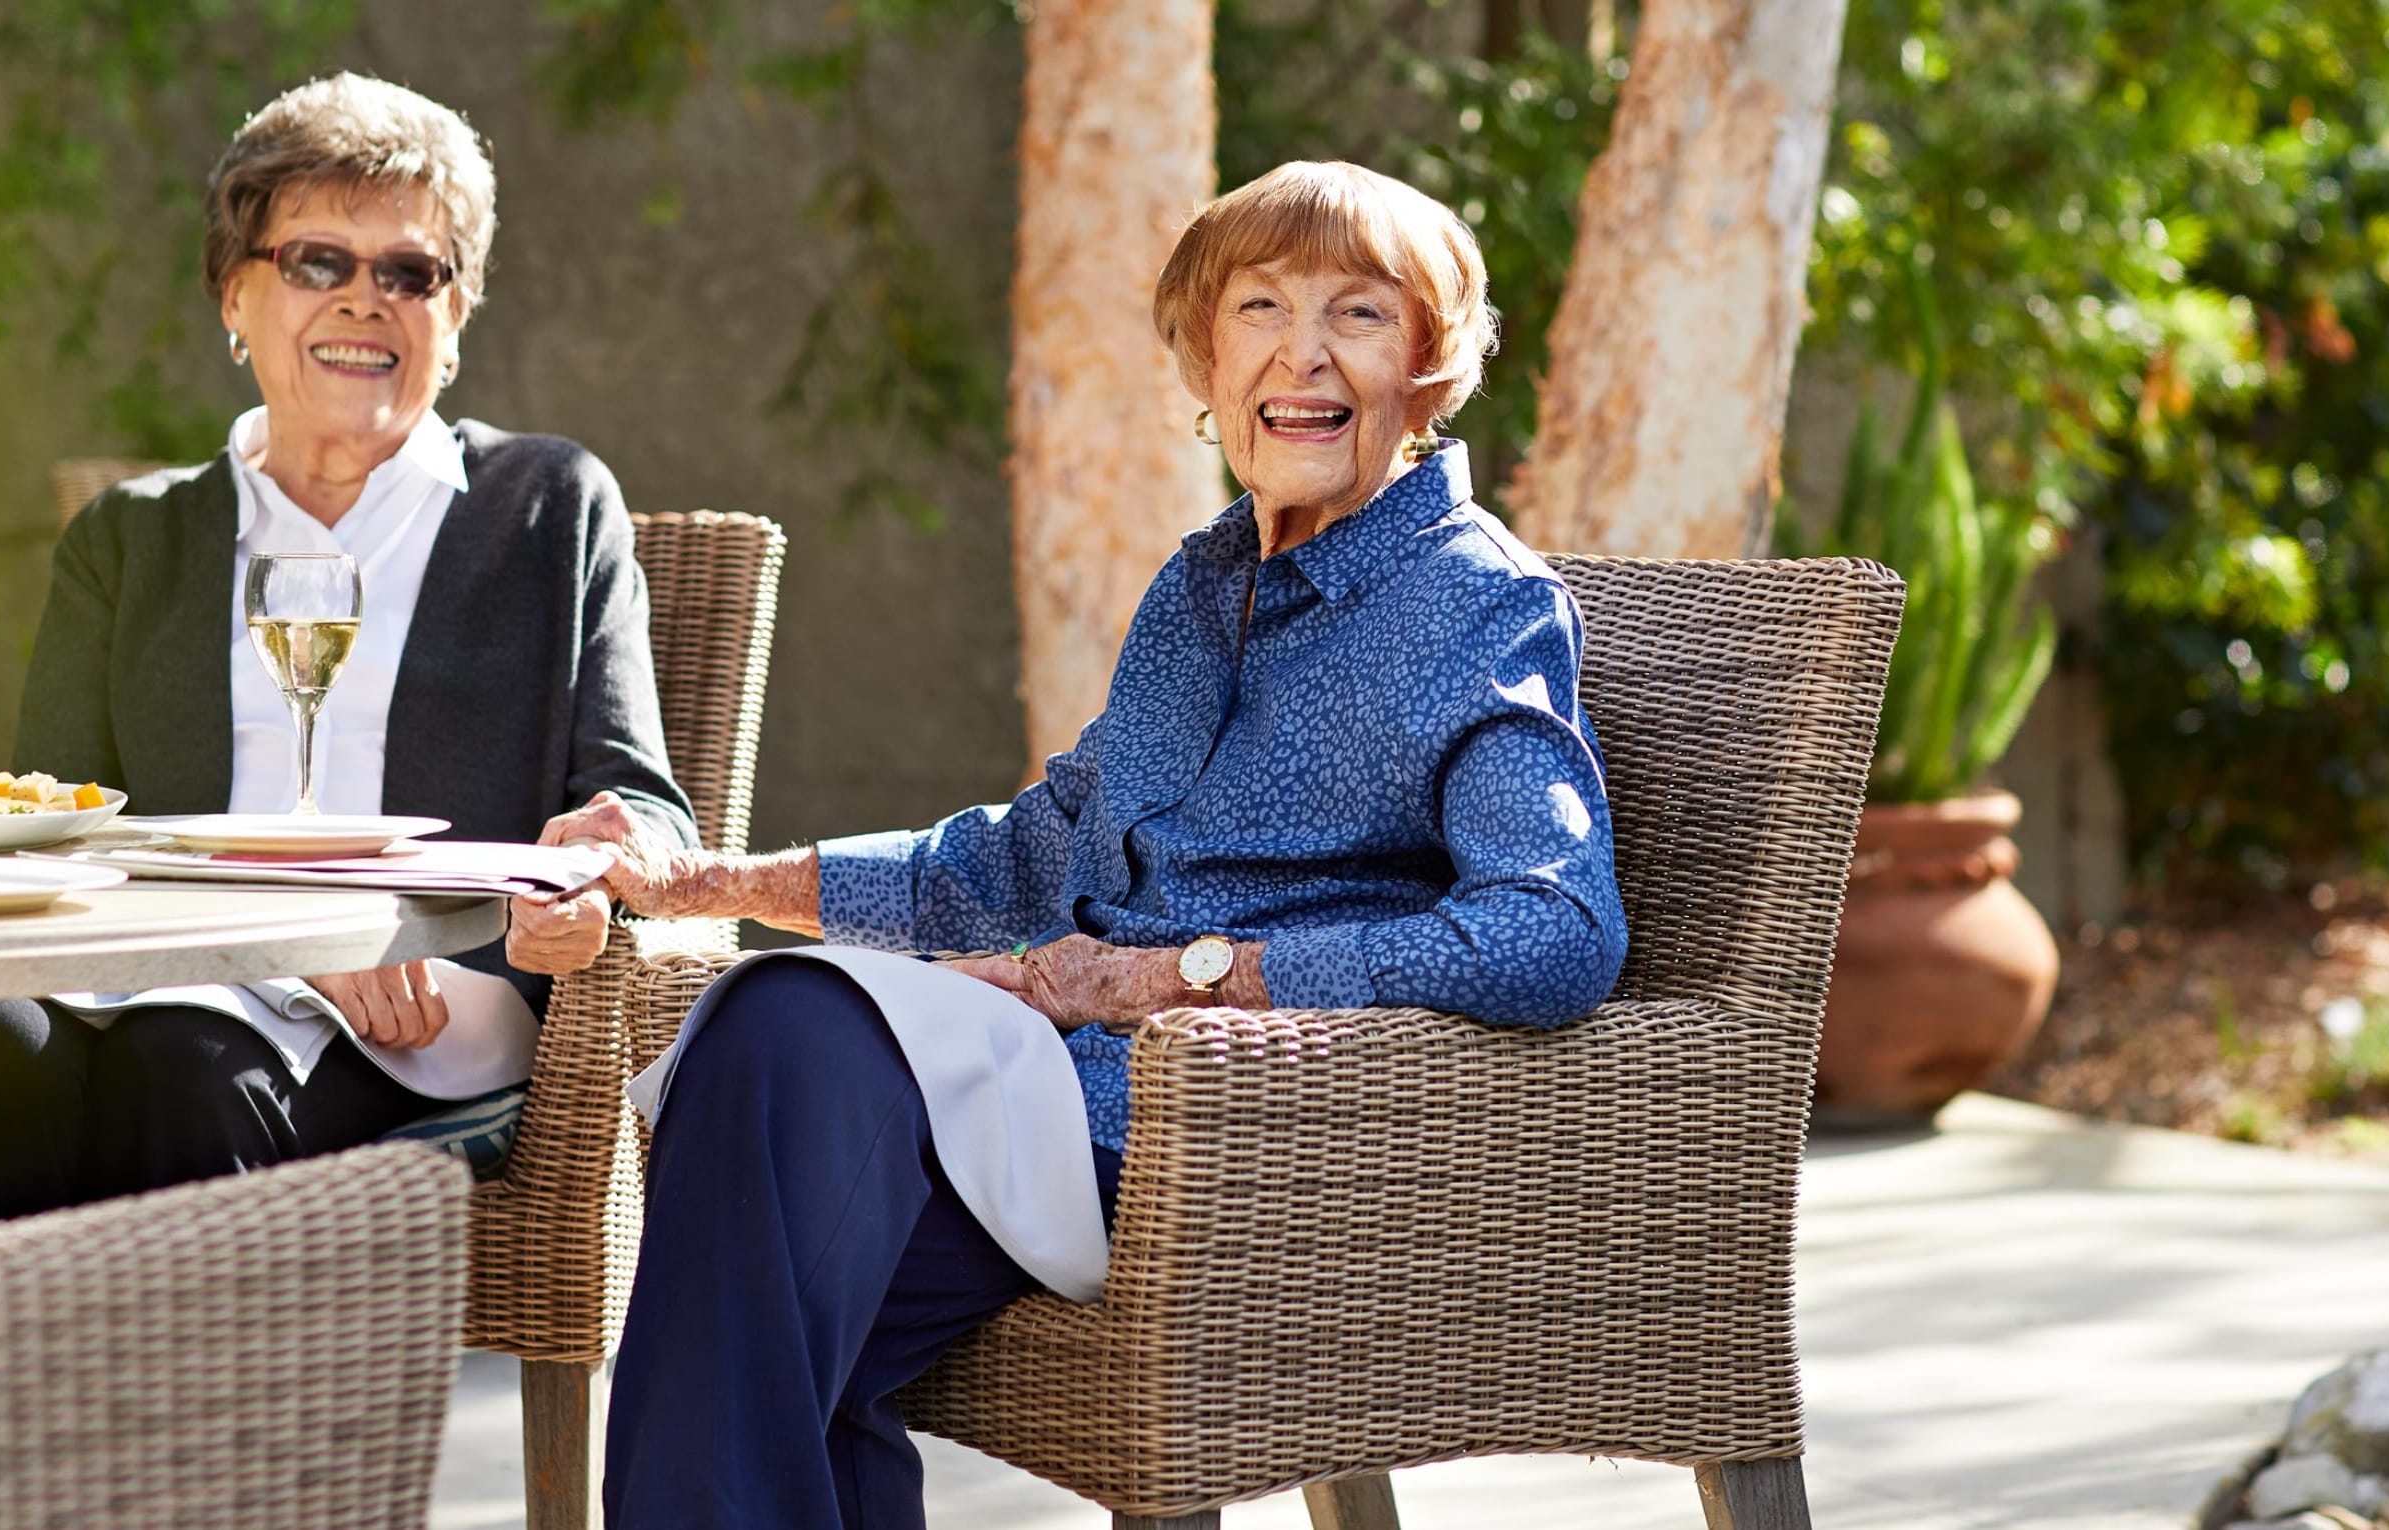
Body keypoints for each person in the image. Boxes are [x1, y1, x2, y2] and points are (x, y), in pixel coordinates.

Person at [514, 159, 1627, 1529]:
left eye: (1359, 313)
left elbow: (1558, 931)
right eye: (1260, 308)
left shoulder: (1480, 604)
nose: (1302, 352)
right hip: (1054, 1100)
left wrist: (1176, 978)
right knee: (767, 1122)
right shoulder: (1202, 583)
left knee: (770, 1139)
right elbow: (1026, 858)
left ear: (1427, 368)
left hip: (1239, 1138)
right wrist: (705, 881)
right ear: (1207, 365)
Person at [0, 73, 684, 1235]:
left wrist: (590, 880)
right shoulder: (132, 538)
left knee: (182, 1069)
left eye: (409, 273)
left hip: (416, 1016)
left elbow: (647, 810)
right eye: (318, 262)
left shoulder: (547, 510)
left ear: (453, 319)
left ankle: (204, 1423)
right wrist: (281, 953)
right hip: (148, 972)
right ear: (234, 294)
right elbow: (51, 830)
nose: (365, 301)